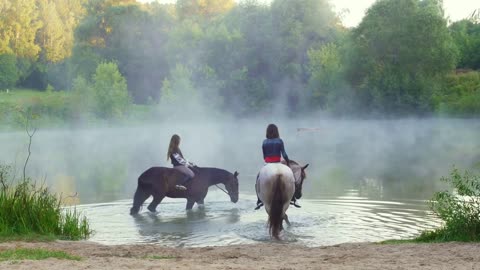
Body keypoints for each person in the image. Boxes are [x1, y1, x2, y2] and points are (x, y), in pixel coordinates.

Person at [255, 124, 300, 210]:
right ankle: (293, 199)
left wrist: (267, 159)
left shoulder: (264, 142)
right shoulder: (280, 141)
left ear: (267, 132)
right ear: (277, 131)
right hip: (278, 162)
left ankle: (259, 201)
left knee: (258, 179)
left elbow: (264, 156)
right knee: (292, 178)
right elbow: (284, 154)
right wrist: (287, 161)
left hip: (268, 163)